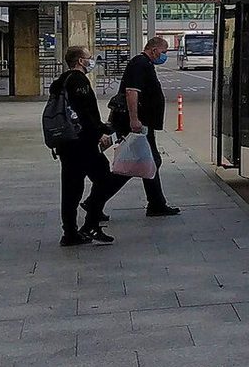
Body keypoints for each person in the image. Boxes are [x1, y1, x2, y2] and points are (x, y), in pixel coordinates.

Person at [51, 45, 128, 245]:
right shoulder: (79, 80)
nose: (91, 60)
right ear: (80, 61)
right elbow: (86, 114)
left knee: (71, 188)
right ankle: (91, 224)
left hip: (66, 142)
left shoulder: (61, 81)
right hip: (82, 143)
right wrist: (101, 132)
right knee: (105, 179)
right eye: (88, 57)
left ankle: (69, 233)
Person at [117, 35, 181, 217]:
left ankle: (156, 203)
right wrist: (134, 119)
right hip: (139, 124)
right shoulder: (140, 64)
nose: (164, 56)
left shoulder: (145, 64)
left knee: (147, 162)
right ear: (154, 50)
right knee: (136, 164)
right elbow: (131, 92)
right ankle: (95, 202)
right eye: (163, 52)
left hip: (145, 124)